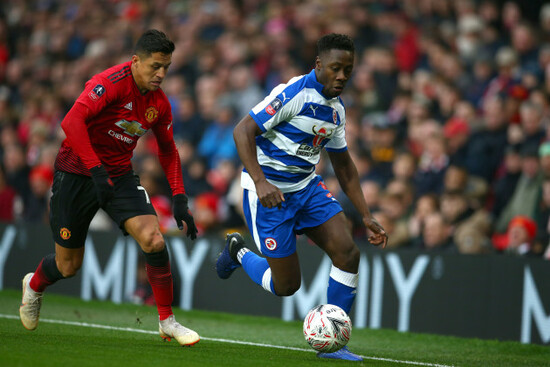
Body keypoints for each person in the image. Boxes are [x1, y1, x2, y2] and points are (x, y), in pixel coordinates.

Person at [19, 30, 200, 346]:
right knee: (68, 265)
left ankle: (167, 321)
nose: (161, 74)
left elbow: (168, 150)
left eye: (166, 67)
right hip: (76, 174)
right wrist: (95, 170)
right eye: (155, 66)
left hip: (117, 176)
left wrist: (179, 196)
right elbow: (71, 122)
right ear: (135, 61)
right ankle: (34, 286)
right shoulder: (110, 83)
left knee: (154, 240)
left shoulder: (159, 103)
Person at [215, 33, 387, 361]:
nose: (342, 76)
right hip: (269, 195)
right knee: (286, 286)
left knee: (348, 253)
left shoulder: (336, 110)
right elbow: (242, 131)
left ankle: (335, 343)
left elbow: (344, 165)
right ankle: (237, 252)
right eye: (335, 68)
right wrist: (261, 181)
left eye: (348, 70)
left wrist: (365, 214)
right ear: (319, 65)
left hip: (306, 188)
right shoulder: (294, 93)